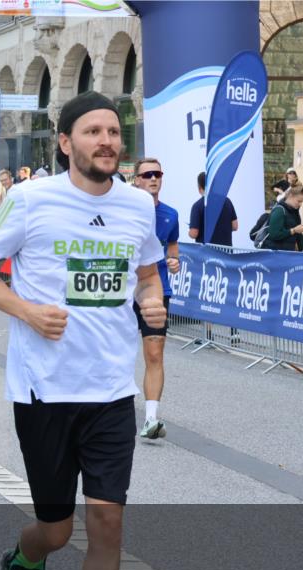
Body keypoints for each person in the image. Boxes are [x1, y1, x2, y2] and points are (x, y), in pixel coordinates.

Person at [0, 91, 166, 570]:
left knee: (107, 521)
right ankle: (20, 568)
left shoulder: (139, 206)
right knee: (55, 532)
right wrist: (28, 311)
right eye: (92, 131)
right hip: (44, 391)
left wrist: (151, 299)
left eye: (113, 131)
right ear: (65, 142)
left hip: (110, 390)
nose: (106, 141)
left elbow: (147, 275)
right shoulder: (30, 199)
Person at [132, 158, 179, 440]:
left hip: (156, 291)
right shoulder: (123, 210)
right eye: (148, 174)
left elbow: (172, 247)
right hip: (123, 291)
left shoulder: (170, 214)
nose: (153, 178)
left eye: (157, 174)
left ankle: (151, 418)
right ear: (136, 180)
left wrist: (174, 261)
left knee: (154, 352)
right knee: (117, 351)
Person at [188, 171, 238, 245]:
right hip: (226, 250)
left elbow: (194, 233)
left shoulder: (197, 206)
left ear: (199, 187)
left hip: (207, 251)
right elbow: (235, 226)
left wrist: (190, 232)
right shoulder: (227, 201)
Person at [264, 185, 303, 252]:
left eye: (302, 202)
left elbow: (298, 234)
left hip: (287, 252)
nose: (300, 204)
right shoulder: (279, 210)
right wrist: (293, 230)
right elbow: (273, 234)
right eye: (299, 201)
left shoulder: (294, 211)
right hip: (276, 253)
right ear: (290, 196)